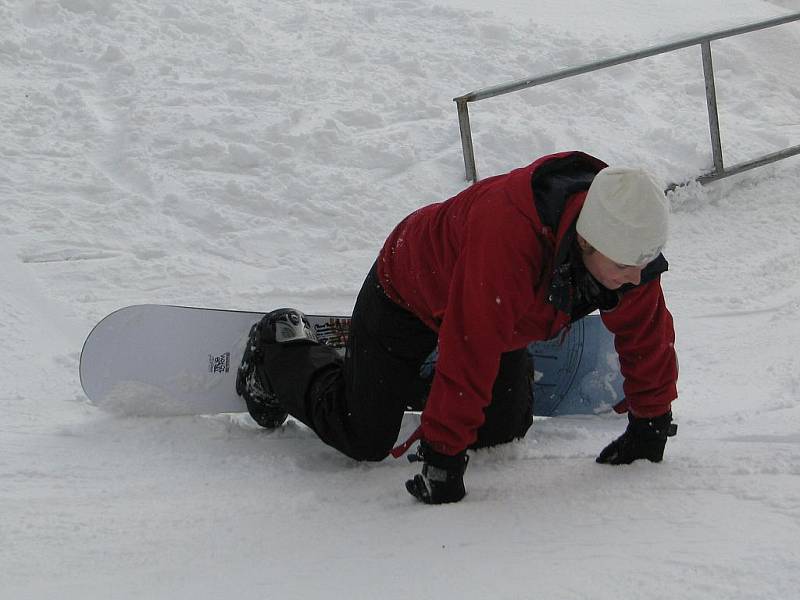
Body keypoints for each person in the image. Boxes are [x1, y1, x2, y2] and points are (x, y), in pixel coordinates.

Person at [236, 151, 679, 505]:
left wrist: (651, 422)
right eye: (624, 267)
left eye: (642, 266)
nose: (637, 278)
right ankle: (277, 353)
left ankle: (417, 384)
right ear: (586, 241)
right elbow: (472, 344)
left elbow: (646, 333)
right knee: (364, 435)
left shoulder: (627, 242)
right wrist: (442, 458)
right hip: (410, 294)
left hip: (502, 318)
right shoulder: (509, 237)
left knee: (500, 432)